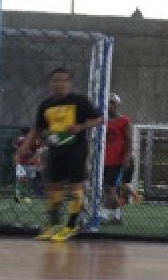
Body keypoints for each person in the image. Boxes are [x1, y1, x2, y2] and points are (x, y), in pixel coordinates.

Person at [19, 66, 105, 242]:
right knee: (53, 187)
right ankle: (53, 224)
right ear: (51, 83)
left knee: (76, 187)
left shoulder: (80, 101)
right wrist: (26, 146)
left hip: (76, 149)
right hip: (55, 149)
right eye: (56, 80)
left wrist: (81, 127)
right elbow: (38, 127)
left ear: (70, 83)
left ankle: (71, 225)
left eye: (64, 80)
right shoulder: (46, 105)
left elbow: (99, 118)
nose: (60, 84)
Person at [101, 93, 131, 225]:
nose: (110, 105)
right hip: (103, 160)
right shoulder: (102, 120)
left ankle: (107, 215)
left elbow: (129, 140)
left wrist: (127, 157)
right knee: (107, 188)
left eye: (113, 103)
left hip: (117, 160)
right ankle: (115, 216)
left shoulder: (124, 121)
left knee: (110, 187)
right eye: (108, 102)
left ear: (118, 105)